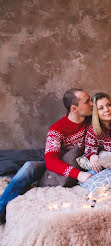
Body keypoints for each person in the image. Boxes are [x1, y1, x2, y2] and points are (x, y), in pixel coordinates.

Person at [0, 88, 93, 224]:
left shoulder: (92, 120)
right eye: (87, 101)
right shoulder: (57, 129)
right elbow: (51, 162)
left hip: (83, 162)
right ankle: (2, 209)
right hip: (58, 165)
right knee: (29, 166)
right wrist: (78, 175)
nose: (92, 103)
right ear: (74, 108)